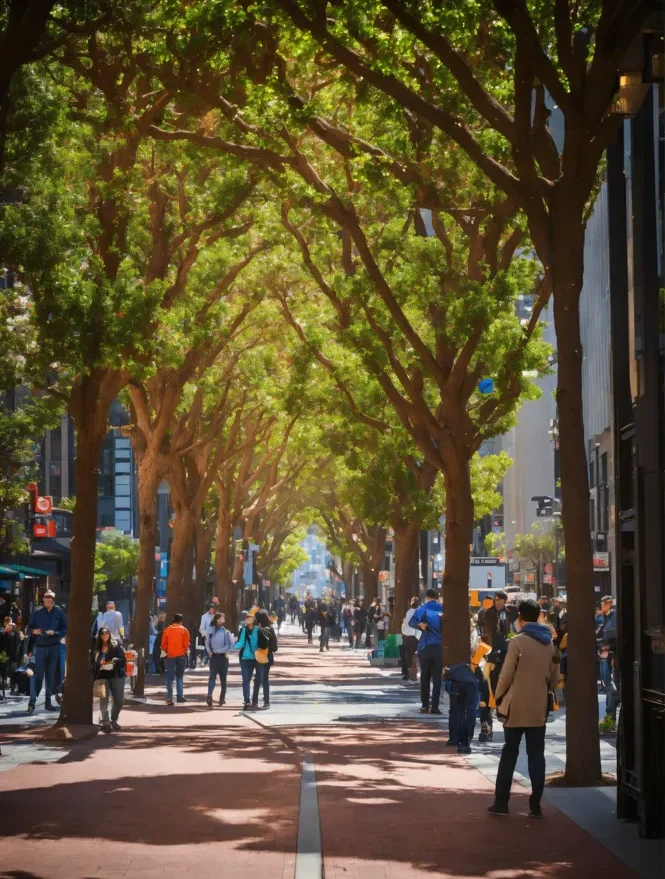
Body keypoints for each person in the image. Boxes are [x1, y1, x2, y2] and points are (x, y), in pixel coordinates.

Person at [488, 599, 560, 818]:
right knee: (536, 754)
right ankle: (535, 804)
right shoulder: (549, 644)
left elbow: (506, 674)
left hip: (515, 705)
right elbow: (554, 678)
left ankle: (501, 803)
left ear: (520, 617)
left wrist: (497, 696)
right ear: (538, 616)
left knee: (509, 752)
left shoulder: (517, 642)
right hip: (538, 706)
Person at [26, 590, 67, 714]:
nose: (48, 600)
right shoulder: (37, 612)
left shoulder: (59, 611)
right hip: (40, 647)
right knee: (38, 676)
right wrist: (34, 631)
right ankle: (32, 702)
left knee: (50, 676)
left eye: (50, 598)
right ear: (43, 599)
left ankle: (48, 702)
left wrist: (56, 633)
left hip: (54, 646)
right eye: (46, 598)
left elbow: (65, 628)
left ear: (53, 600)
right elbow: (29, 628)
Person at [410, 589, 443, 714]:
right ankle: (435, 706)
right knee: (437, 678)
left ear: (427, 597)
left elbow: (411, 622)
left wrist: (419, 625)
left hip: (425, 646)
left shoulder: (421, 609)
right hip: (439, 646)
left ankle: (424, 705)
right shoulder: (443, 608)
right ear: (437, 597)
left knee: (425, 677)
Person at [93, 625, 126, 732]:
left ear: (109, 634)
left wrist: (113, 661)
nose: (104, 635)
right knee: (104, 700)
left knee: (119, 701)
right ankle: (106, 722)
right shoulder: (96, 647)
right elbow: (93, 662)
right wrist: (99, 663)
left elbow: (123, 659)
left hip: (116, 675)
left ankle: (114, 719)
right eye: (102, 633)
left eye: (106, 633)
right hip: (103, 676)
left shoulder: (116, 644)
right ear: (99, 635)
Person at [206, 613, 235, 707]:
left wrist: (216, 651)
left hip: (218, 657)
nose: (224, 620)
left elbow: (228, 644)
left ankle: (216, 697)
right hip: (218, 657)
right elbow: (207, 642)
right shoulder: (215, 631)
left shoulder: (223, 632)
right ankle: (215, 698)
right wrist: (214, 652)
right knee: (218, 678)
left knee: (217, 678)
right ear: (217, 619)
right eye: (222, 618)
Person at [161, 613, 190, 706]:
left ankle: (169, 698)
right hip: (181, 656)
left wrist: (167, 650)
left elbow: (163, 644)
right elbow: (186, 644)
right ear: (181, 621)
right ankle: (180, 696)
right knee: (179, 677)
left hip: (170, 656)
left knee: (170, 677)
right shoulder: (184, 630)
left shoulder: (167, 630)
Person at [597, 595, 618, 725]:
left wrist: (610, 650)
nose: (601, 607)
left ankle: (610, 715)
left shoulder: (613, 618)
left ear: (608, 604)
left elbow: (614, 638)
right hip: (604, 655)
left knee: (609, 685)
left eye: (602, 605)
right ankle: (609, 714)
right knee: (606, 685)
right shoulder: (605, 618)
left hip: (610, 655)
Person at [234, 612, 260, 710]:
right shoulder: (243, 630)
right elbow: (240, 643)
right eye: (247, 618)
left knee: (257, 680)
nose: (248, 619)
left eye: (250, 618)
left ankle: (255, 700)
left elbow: (261, 643)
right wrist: (232, 645)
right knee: (246, 680)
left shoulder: (258, 630)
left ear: (254, 620)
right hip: (245, 659)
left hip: (256, 659)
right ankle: (247, 700)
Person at [254, 609, 278, 709]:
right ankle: (266, 701)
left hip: (256, 657)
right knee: (265, 679)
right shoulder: (270, 629)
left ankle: (254, 701)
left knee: (257, 679)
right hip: (267, 657)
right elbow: (275, 648)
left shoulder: (255, 629)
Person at [400, 597, 420, 681]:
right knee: (415, 655)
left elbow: (405, 624)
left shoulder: (409, 612)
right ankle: (414, 673)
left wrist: (404, 632)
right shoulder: (419, 611)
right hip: (416, 635)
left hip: (408, 636)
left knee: (409, 655)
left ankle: (409, 673)